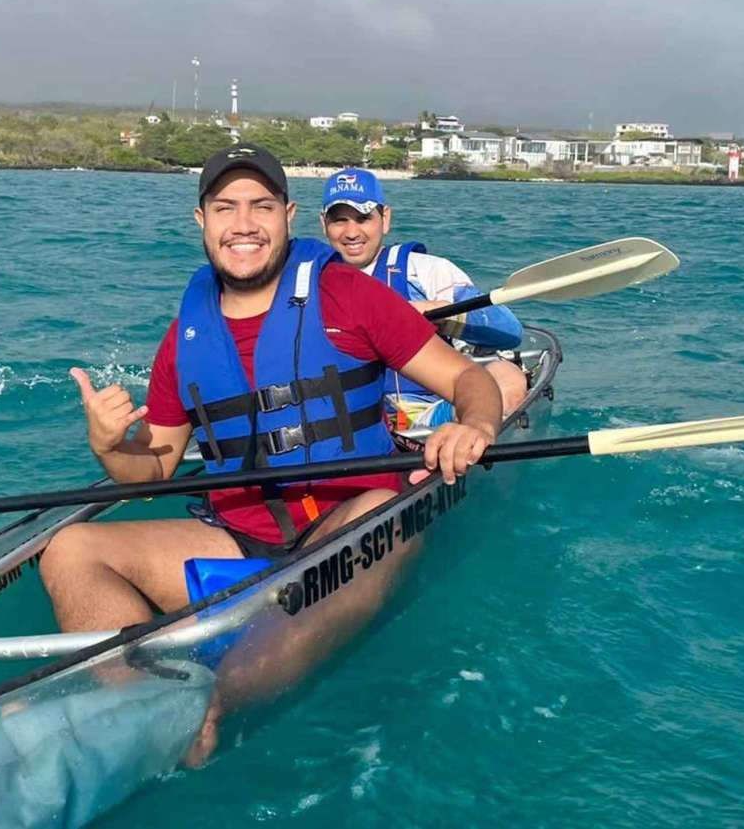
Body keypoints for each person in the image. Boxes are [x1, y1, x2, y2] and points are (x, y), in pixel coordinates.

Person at [40, 143, 504, 762]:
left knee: (375, 516)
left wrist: (473, 424)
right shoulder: (186, 335)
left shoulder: (348, 296)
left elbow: (467, 380)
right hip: (239, 540)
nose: (244, 223)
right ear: (201, 221)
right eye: (225, 207)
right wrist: (107, 445)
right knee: (70, 548)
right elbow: (152, 470)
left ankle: (211, 711)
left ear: (287, 217)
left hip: (345, 529)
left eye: (262, 205)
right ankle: (141, 707)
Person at [319, 167, 529, 431]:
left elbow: (509, 332)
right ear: (323, 224)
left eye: (363, 218)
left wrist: (440, 313)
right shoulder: (311, 282)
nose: (351, 232)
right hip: (354, 424)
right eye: (339, 220)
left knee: (508, 376)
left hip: (430, 417)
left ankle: (461, 445)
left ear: (385, 219)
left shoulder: (426, 270)